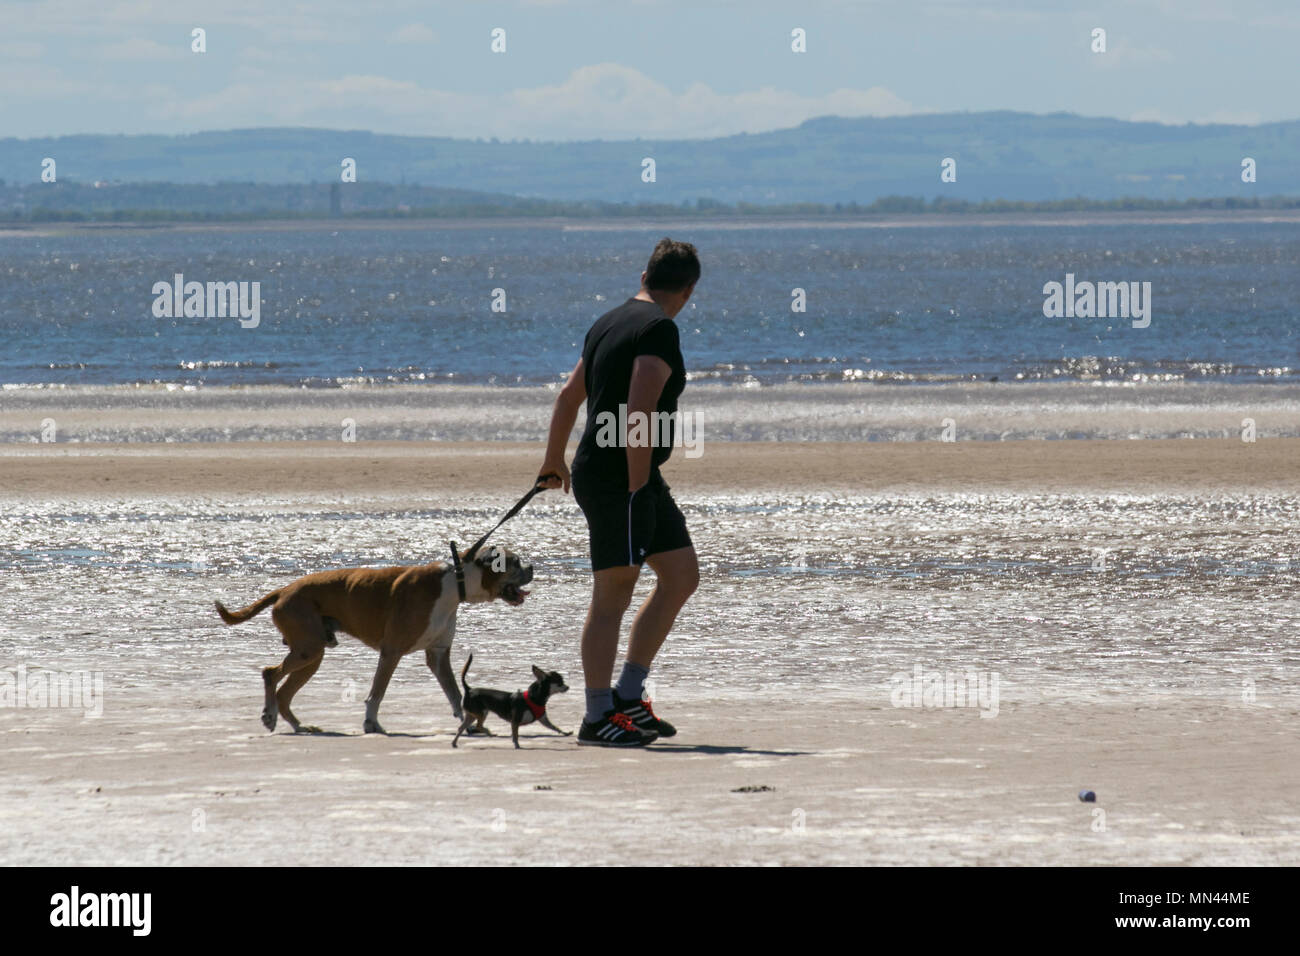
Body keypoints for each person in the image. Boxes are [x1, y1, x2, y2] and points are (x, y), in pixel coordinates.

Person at [538, 238, 701, 746]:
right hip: (620, 480)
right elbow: (638, 410)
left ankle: (629, 698)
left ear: (644, 275)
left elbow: (568, 396)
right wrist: (634, 486)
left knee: (679, 577)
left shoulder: (609, 321)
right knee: (613, 595)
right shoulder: (658, 330)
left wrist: (553, 459)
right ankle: (596, 715)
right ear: (689, 290)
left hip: (631, 475)